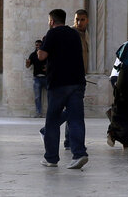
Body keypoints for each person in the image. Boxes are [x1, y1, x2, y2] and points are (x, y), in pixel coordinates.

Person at [38, 9, 88, 169]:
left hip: (59, 83)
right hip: (77, 81)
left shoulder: (52, 33)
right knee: (76, 119)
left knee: (52, 121)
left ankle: (51, 158)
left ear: (52, 21)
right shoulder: (74, 34)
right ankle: (79, 154)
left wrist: (41, 50)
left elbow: (42, 56)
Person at [26, 39, 47, 117]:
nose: (38, 47)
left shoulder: (45, 54)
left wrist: (47, 68)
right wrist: (27, 63)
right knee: (37, 97)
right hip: (37, 78)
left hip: (46, 78)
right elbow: (28, 66)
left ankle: (52, 112)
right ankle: (38, 113)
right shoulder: (33, 55)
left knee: (51, 95)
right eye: (36, 45)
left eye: (39, 45)